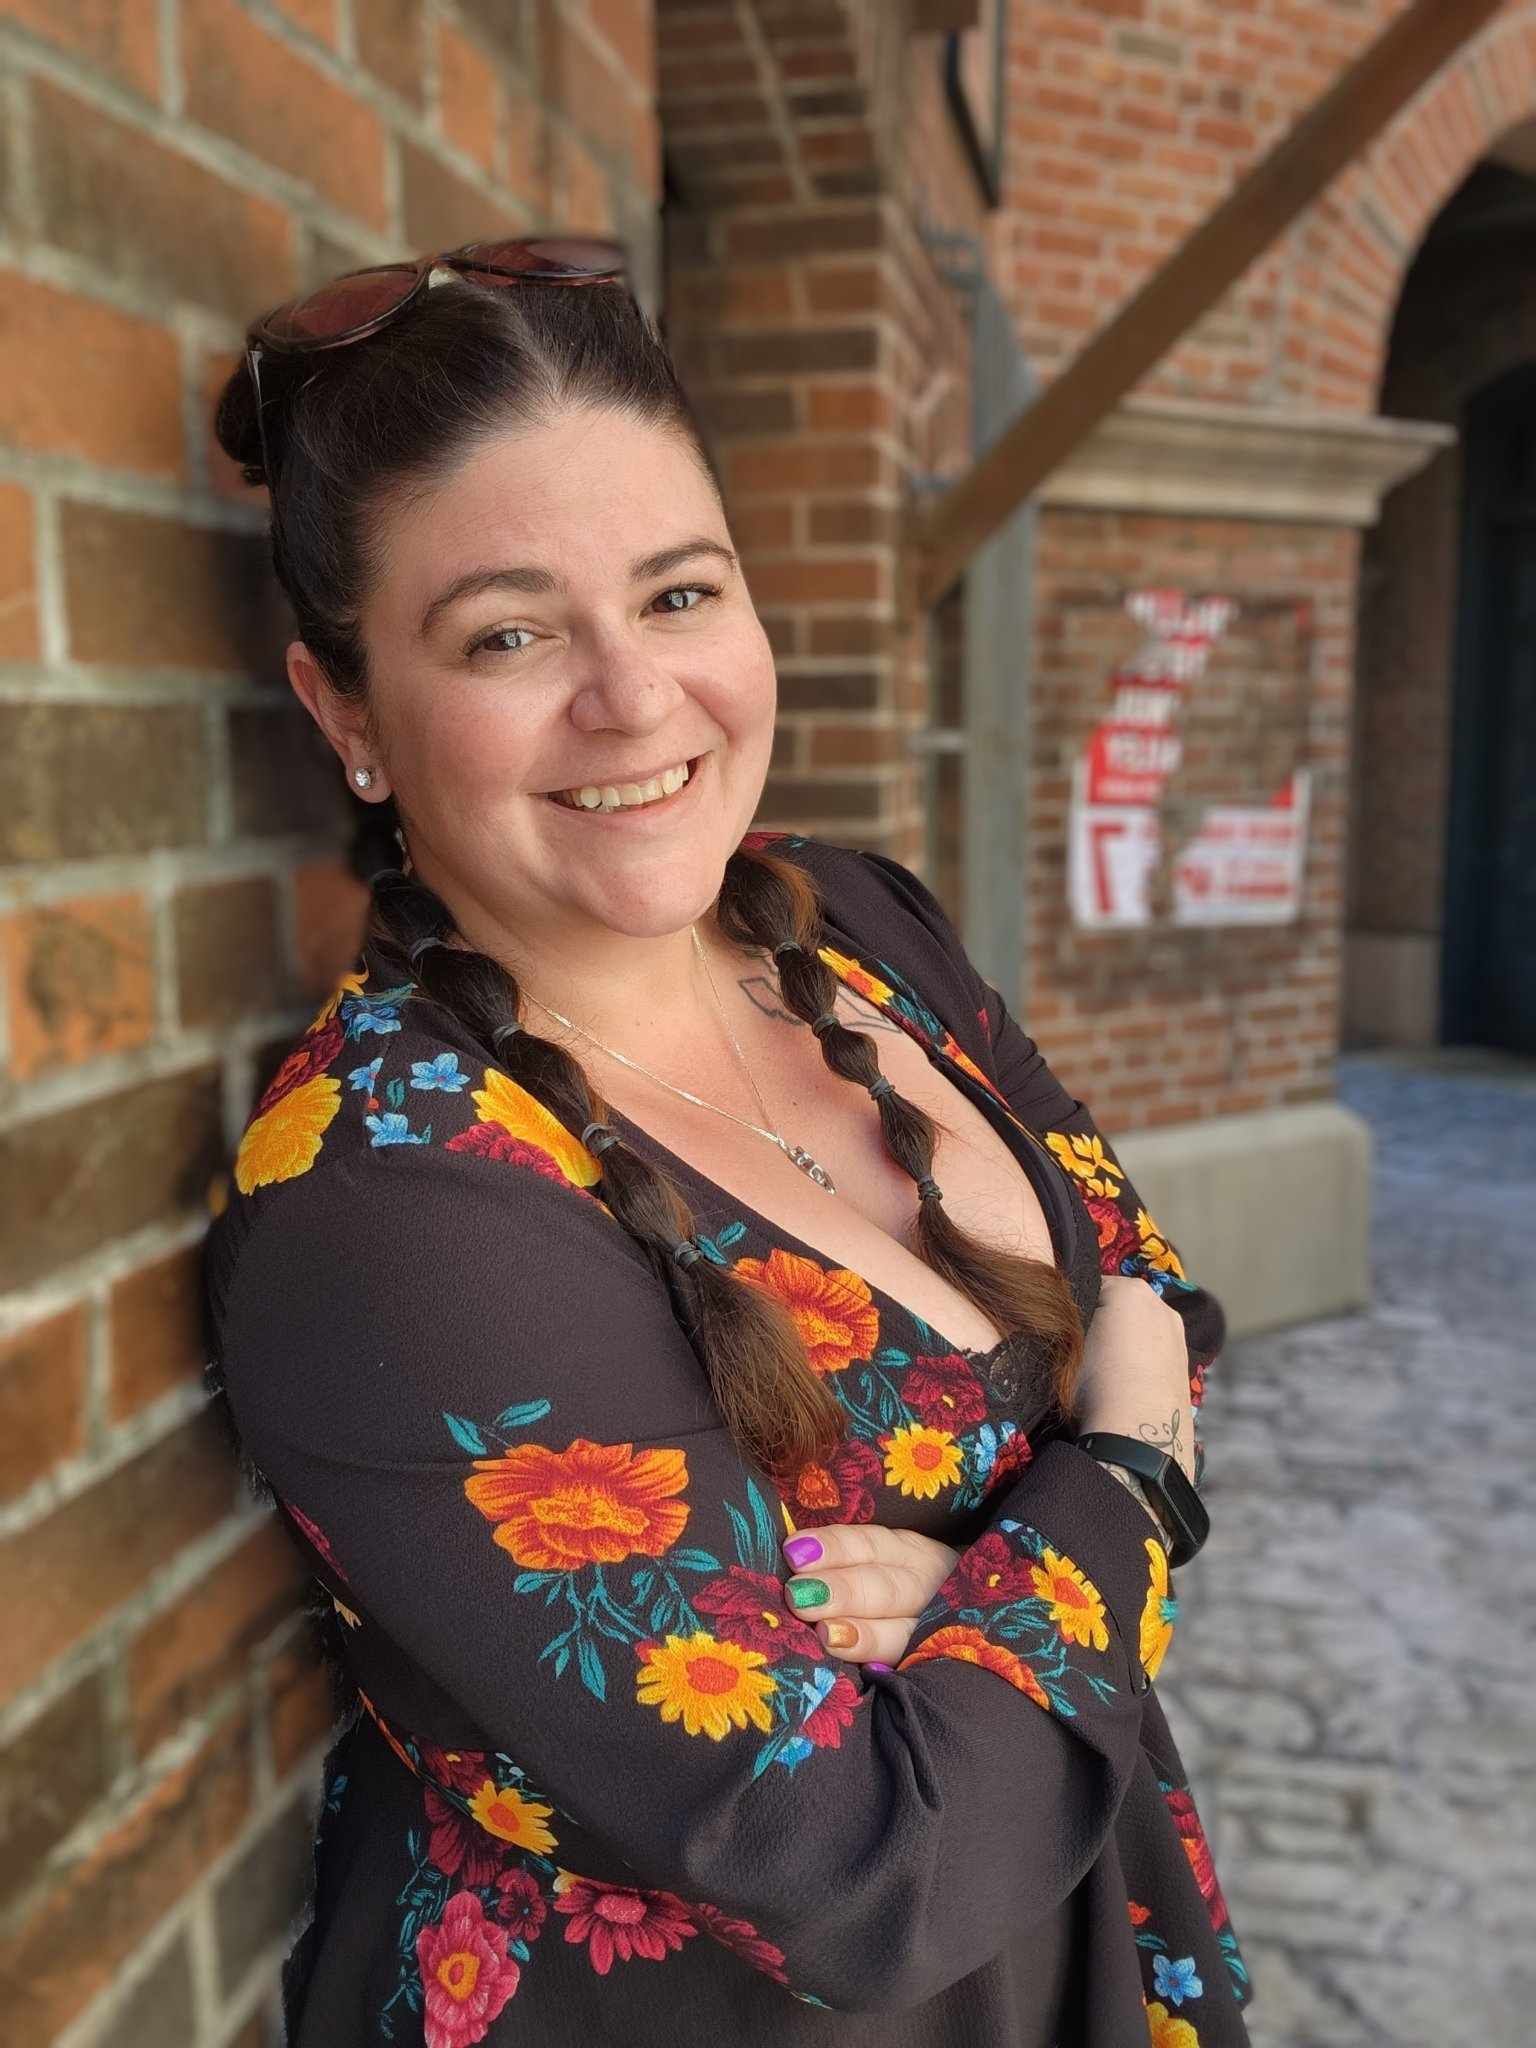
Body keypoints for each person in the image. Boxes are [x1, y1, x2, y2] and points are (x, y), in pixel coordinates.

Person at [201, 237, 1253, 2048]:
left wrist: (988, 1589)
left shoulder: (856, 922)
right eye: (510, 634)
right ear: (348, 712)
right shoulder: (392, 1202)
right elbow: (865, 1864)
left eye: (679, 594)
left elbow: (1160, 1303)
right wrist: (1121, 1493)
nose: (633, 697)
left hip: (1075, 1914)